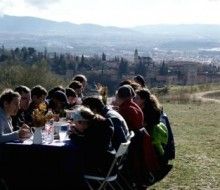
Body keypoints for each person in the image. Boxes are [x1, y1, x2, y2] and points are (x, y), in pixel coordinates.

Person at [69, 105, 115, 175]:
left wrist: (74, 135)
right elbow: (91, 140)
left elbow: (85, 145)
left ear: (81, 122)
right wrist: (78, 132)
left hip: (100, 167)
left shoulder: (94, 130)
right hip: (109, 161)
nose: (74, 125)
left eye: (75, 123)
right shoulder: (99, 123)